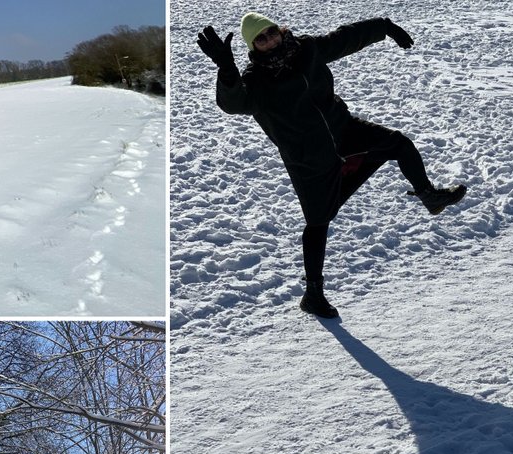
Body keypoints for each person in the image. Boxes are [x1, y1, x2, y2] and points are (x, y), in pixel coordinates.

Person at [196, 12, 467, 320]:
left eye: (271, 32)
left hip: (343, 131)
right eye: (261, 38)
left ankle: (428, 195)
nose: (270, 40)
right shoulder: (255, 83)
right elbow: (232, 104)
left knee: (398, 143)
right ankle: (313, 294)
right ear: (253, 47)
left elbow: (343, 39)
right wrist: (226, 69)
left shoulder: (306, 49)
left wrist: (384, 27)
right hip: (308, 159)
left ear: (279, 31)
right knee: (318, 223)